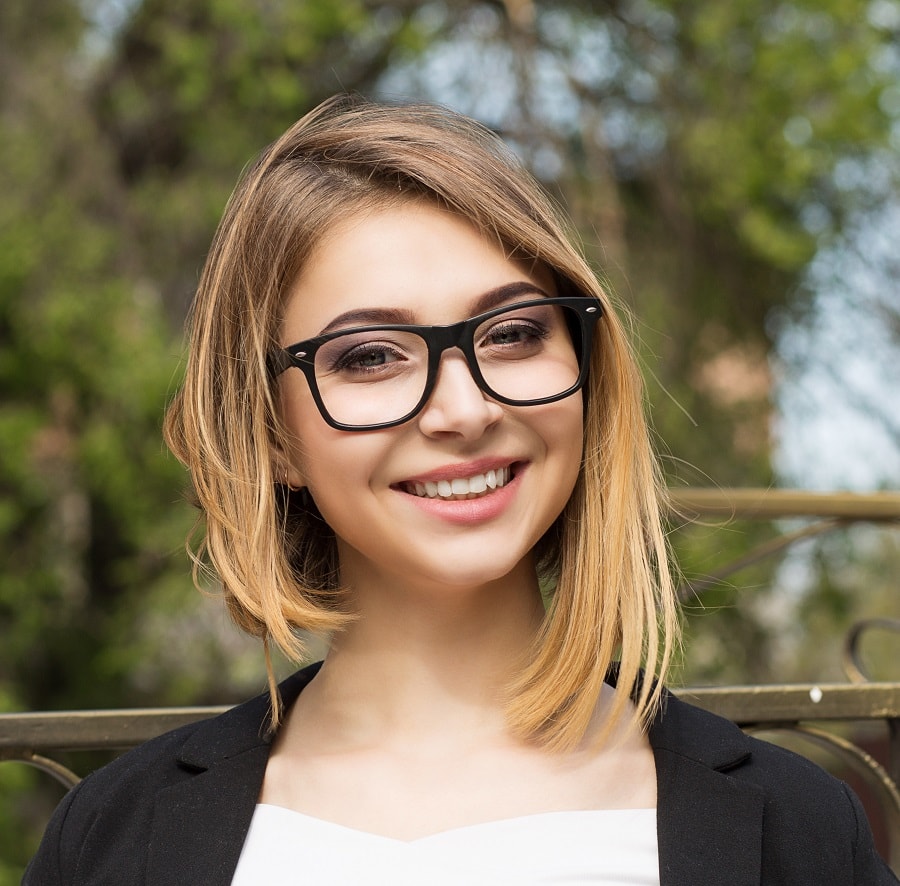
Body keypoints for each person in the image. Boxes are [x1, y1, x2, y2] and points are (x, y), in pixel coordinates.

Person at [25, 95, 897, 885]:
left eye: (514, 332)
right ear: (271, 432)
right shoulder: (113, 840)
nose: (465, 408)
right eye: (369, 356)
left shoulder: (795, 831)